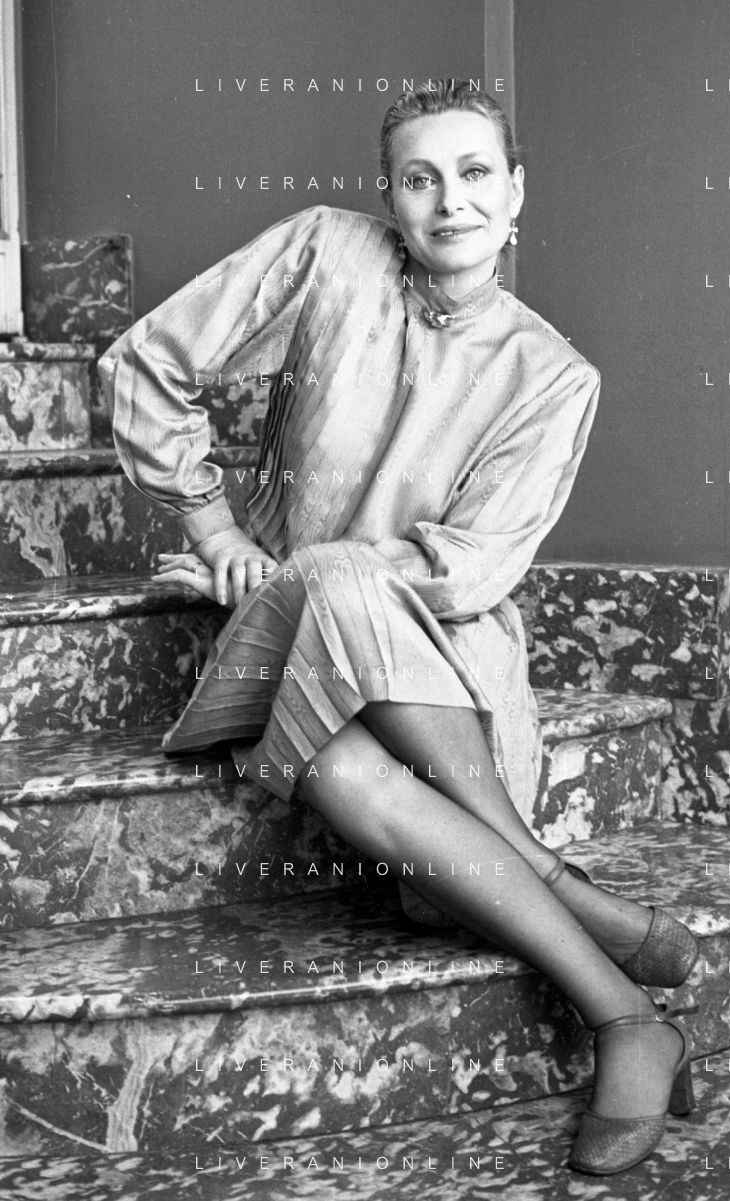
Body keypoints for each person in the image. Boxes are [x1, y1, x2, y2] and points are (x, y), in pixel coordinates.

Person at [98, 80, 699, 1175]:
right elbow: (144, 361)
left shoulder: (552, 375)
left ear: (515, 193)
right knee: (328, 603)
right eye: (420, 178)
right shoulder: (325, 251)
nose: (449, 200)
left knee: (345, 767)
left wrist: (305, 569)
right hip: (283, 637)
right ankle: (588, 945)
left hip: (444, 665)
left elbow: (467, 569)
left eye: (474, 174)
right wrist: (213, 524)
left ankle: (621, 1009)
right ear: (388, 195)